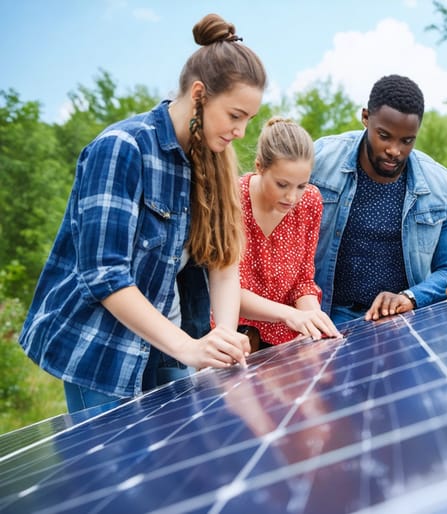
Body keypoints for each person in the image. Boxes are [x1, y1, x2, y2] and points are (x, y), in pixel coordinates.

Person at [18, 13, 265, 413]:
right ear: (199, 94)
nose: (240, 132)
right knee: (111, 471)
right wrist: (189, 348)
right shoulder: (122, 148)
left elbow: (222, 263)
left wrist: (222, 336)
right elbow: (104, 274)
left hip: (169, 348)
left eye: (248, 120)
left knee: (173, 465)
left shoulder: (212, 160)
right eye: (235, 116)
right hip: (103, 353)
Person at [311, 74, 447, 325]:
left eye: (407, 141)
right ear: (366, 118)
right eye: (384, 136)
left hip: (401, 322)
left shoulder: (442, 186)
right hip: (324, 317)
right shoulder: (319, 160)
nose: (395, 150)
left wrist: (410, 297)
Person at [237, 117, 340, 350]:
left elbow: (303, 281)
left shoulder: (311, 201)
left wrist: (314, 318)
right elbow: (228, 291)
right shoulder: (233, 200)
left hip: (289, 339)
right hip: (239, 338)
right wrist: (290, 315)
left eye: (301, 185)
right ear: (259, 167)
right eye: (282, 184)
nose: (292, 197)